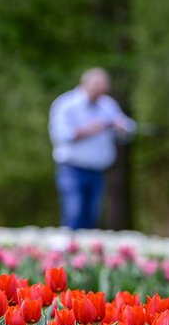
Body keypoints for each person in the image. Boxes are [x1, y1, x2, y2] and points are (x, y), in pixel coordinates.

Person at [48, 68, 136, 230]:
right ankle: (68, 251)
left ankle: (85, 253)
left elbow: (129, 128)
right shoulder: (66, 104)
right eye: (97, 88)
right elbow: (61, 135)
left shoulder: (107, 104)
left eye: (103, 89)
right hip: (72, 169)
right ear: (85, 84)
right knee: (74, 212)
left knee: (92, 216)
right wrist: (91, 129)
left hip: (97, 170)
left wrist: (121, 127)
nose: (100, 93)